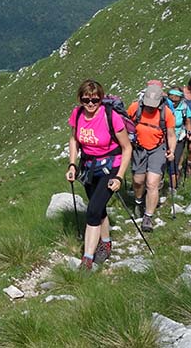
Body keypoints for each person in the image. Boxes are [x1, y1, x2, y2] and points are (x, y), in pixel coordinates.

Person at [66, 79, 132, 271]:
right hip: (88, 167)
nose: (90, 104)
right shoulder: (77, 114)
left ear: (101, 99)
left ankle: (87, 259)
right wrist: (72, 164)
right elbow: (74, 139)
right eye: (86, 100)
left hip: (111, 167)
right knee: (98, 206)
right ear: (80, 99)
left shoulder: (111, 116)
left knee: (93, 211)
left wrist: (119, 177)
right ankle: (106, 242)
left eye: (95, 100)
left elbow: (127, 148)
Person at [127, 82, 176, 232]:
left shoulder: (167, 113)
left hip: (158, 149)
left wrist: (172, 150)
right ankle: (138, 201)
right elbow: (126, 125)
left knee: (152, 183)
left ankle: (148, 217)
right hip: (139, 148)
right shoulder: (134, 108)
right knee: (138, 181)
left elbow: (171, 135)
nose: (150, 107)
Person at [166, 88, 191, 188]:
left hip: (179, 138)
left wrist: (189, 132)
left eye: (176, 101)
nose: (173, 103)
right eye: (171, 100)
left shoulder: (184, 107)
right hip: (164, 138)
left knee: (174, 162)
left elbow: (188, 121)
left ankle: (173, 187)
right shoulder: (164, 107)